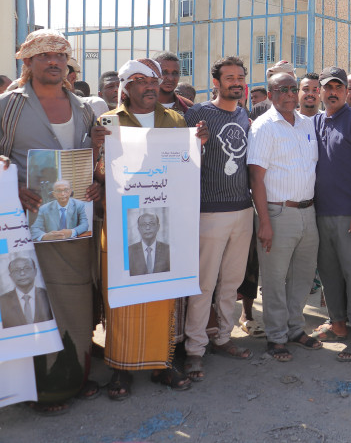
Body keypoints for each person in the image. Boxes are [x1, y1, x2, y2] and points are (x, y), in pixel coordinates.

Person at [1, 28, 105, 413]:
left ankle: (75, 374)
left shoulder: (82, 107)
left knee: (77, 302)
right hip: (25, 229)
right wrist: (12, 190)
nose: (54, 62)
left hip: (75, 228)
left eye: (61, 56)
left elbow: (88, 163)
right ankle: (42, 389)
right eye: (45, 55)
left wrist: (94, 184)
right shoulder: (7, 107)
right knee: (34, 304)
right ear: (26, 62)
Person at [99, 58, 207, 400]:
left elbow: (183, 168)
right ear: (126, 86)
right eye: (142, 81)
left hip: (164, 219)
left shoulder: (175, 120)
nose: (150, 86)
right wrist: (95, 148)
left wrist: (196, 144)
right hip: (122, 221)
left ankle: (163, 364)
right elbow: (97, 173)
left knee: (163, 294)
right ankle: (121, 367)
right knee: (123, 297)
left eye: (154, 81)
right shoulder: (108, 122)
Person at [183, 56, 255, 380]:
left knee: (231, 283)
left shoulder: (244, 115)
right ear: (216, 82)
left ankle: (224, 337)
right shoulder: (197, 114)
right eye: (230, 77)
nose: (236, 82)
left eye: (240, 77)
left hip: (242, 210)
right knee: (203, 285)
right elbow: (180, 159)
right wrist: (196, 143)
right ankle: (194, 350)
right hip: (209, 213)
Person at [248, 69, 321, 362]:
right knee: (276, 279)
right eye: (283, 90)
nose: (290, 94)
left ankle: (295, 328)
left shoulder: (306, 124)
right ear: (270, 95)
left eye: (293, 88)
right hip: (278, 212)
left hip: (308, 211)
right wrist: (264, 221)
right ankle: (276, 336)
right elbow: (255, 178)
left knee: (303, 277)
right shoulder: (265, 127)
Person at [310, 66, 351, 362]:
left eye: (338, 87)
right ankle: (337, 325)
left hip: (350, 216)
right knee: (329, 275)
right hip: (320, 214)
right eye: (327, 87)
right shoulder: (315, 122)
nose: (332, 92)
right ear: (319, 91)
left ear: (346, 92)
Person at [0, 254, 54, 328]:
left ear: (35, 271)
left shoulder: (47, 295)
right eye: (16, 270)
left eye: (27, 268)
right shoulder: (2, 301)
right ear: (11, 276)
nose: (22, 273)